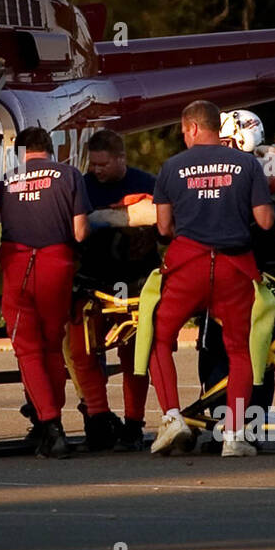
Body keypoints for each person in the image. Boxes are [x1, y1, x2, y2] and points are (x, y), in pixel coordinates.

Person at [149, 101, 275, 457]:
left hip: (187, 264)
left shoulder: (171, 166)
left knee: (160, 337)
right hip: (234, 267)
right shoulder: (248, 163)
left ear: (190, 128)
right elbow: (264, 221)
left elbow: (162, 227)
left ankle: (172, 416)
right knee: (240, 351)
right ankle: (235, 435)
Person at [0, 126, 92, 458]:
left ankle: (50, 425)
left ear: (20, 152)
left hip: (19, 265)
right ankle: (53, 420)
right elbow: (80, 232)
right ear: (50, 149)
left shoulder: (7, 180)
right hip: (57, 265)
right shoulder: (70, 175)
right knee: (52, 346)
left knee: (27, 349)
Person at [66, 129, 158, 451]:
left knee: (134, 353)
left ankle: (133, 424)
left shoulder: (147, 184)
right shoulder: (82, 185)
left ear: (121, 159)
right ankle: (98, 419)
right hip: (93, 278)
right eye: (93, 164)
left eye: (103, 164)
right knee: (82, 351)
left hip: (133, 279)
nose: (97, 170)